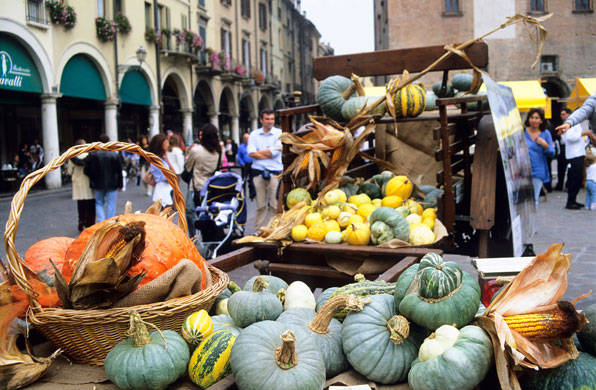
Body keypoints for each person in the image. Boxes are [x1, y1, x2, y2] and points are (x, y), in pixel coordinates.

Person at [248, 109, 283, 231]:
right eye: (267, 119)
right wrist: (268, 152)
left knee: (274, 205)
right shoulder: (254, 134)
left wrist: (260, 152)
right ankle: (259, 231)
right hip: (258, 174)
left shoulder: (279, 133)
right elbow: (251, 154)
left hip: (275, 174)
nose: (270, 121)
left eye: (272, 119)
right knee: (260, 205)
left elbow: (274, 153)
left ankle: (273, 230)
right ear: (261, 120)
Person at [84, 134, 123, 222]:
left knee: (99, 203)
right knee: (111, 204)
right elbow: (119, 170)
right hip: (112, 183)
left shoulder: (93, 154)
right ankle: (110, 222)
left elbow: (87, 169)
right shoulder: (114, 154)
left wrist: (92, 178)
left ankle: (101, 221)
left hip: (98, 183)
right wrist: (120, 184)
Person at [524, 108, 555, 208]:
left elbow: (552, 153)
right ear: (528, 119)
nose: (534, 120)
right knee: (523, 200)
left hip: (538, 170)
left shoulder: (545, 133)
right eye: (532, 117)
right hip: (522, 170)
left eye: (537, 118)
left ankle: (532, 223)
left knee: (534, 199)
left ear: (541, 120)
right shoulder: (522, 132)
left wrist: (545, 145)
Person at [185, 124, 222, 208]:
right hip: (213, 185)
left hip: (197, 185)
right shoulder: (220, 151)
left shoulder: (196, 150)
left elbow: (188, 168)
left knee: (190, 209)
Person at [67, 139, 95, 231]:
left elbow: (70, 171)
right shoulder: (90, 156)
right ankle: (90, 223)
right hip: (88, 182)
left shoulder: (73, 157)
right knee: (90, 204)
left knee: (81, 205)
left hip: (78, 183)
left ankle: (81, 222)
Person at [149, 134, 174, 207]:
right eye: (166, 143)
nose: (168, 145)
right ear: (160, 145)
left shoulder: (163, 158)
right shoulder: (156, 159)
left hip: (166, 188)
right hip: (162, 188)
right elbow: (167, 176)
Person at [554, 108, 571, 191]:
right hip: (562, 147)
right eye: (561, 114)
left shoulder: (571, 124)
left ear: (568, 115)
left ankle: (567, 184)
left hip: (568, 147)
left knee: (569, 167)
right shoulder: (560, 124)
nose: (562, 116)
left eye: (563, 114)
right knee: (561, 167)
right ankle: (560, 184)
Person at [237, 132, 256, 200]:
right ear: (243, 139)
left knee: (252, 179)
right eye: (245, 138)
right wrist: (242, 163)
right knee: (243, 180)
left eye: (248, 138)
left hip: (252, 164)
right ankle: (243, 193)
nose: (247, 139)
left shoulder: (253, 146)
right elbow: (239, 156)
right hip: (245, 165)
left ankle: (252, 193)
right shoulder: (241, 147)